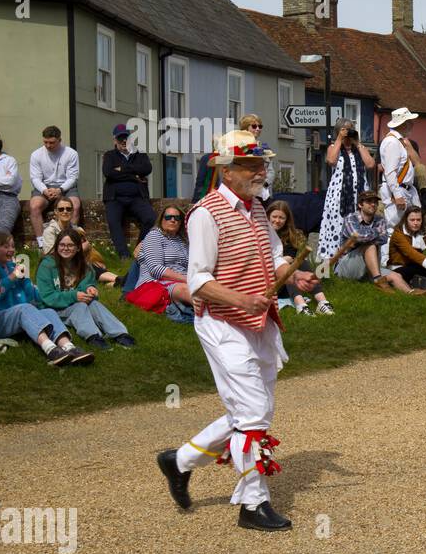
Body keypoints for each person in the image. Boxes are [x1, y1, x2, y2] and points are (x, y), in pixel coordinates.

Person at [156, 130, 319, 531]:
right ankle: (252, 503)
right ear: (227, 172)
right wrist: (242, 300)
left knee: (249, 412)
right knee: (253, 413)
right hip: (222, 324)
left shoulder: (259, 208)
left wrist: (293, 277)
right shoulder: (205, 214)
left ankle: (179, 461)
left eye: (261, 164)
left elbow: (276, 257)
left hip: (259, 323)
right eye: (252, 166)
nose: (261, 171)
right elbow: (198, 281)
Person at [0, 231, 93, 365]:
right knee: (23, 309)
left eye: (13, 246)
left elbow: (33, 299)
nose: (11, 250)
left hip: (11, 317)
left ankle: (69, 347)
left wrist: (26, 282)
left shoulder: (12, 267)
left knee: (48, 312)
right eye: (6, 246)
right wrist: (11, 278)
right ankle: (51, 350)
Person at [35, 230, 134, 350]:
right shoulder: (47, 265)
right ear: (56, 246)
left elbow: (86, 283)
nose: (65, 248)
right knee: (80, 306)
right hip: (53, 309)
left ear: (77, 248)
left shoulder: (84, 265)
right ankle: (93, 336)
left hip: (74, 303)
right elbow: (47, 296)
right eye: (62, 245)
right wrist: (74, 296)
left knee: (94, 303)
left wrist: (90, 289)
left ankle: (120, 334)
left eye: (70, 245)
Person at [317, 120, 375, 260]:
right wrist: (339, 139)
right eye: (345, 130)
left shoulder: (360, 149)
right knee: (338, 225)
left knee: (358, 223)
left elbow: (370, 164)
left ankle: (354, 259)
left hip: (360, 196)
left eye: (351, 130)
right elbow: (331, 160)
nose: (348, 133)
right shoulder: (333, 147)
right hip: (339, 196)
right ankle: (332, 259)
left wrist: (357, 143)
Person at [332, 191, 412, 293]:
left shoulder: (380, 220)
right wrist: (376, 232)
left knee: (396, 275)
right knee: (370, 246)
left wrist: (367, 235)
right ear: (360, 204)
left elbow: (383, 238)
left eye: (375, 202)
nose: (373, 204)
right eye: (369, 201)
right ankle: (378, 280)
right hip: (346, 267)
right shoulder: (351, 219)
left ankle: (412, 293)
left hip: (369, 267)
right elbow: (358, 236)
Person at [267, 200, 332, 315]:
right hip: (268, 281)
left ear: (287, 220)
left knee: (301, 262)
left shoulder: (290, 235)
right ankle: (300, 304)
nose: (277, 221)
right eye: (274, 216)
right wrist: (282, 260)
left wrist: (281, 260)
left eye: (281, 218)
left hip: (284, 281)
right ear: (268, 216)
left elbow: (290, 257)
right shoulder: (262, 233)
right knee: (291, 265)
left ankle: (322, 301)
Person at [101, 124, 156, 258]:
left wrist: (122, 169)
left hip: (137, 197)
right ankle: (124, 255)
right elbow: (108, 172)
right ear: (115, 140)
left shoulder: (140, 154)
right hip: (115, 198)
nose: (124, 141)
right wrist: (134, 175)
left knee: (150, 218)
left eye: (126, 137)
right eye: (120, 138)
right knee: (114, 222)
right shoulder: (109, 155)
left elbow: (147, 169)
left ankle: (139, 249)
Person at [378, 108, 422, 264]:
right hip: (398, 190)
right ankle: (387, 263)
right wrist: (397, 195)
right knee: (392, 229)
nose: (412, 124)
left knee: (407, 228)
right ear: (403, 123)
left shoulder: (398, 142)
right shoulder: (392, 142)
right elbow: (390, 172)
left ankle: (405, 260)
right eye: (409, 121)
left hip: (405, 189)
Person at [27, 126, 81, 248]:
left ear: (59, 140)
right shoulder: (36, 154)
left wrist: (60, 190)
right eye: (45, 142)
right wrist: (44, 190)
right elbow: (35, 178)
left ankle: (70, 240)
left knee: (75, 206)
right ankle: (42, 244)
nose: (48, 145)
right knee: (34, 206)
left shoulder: (71, 154)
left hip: (66, 187)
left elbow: (73, 177)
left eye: (52, 142)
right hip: (44, 187)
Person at [132, 204, 194, 307]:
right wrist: (187, 279)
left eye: (177, 218)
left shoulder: (183, 241)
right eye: (168, 217)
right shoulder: (154, 236)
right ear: (162, 220)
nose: (173, 220)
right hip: (156, 283)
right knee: (187, 290)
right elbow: (156, 269)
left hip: (182, 280)